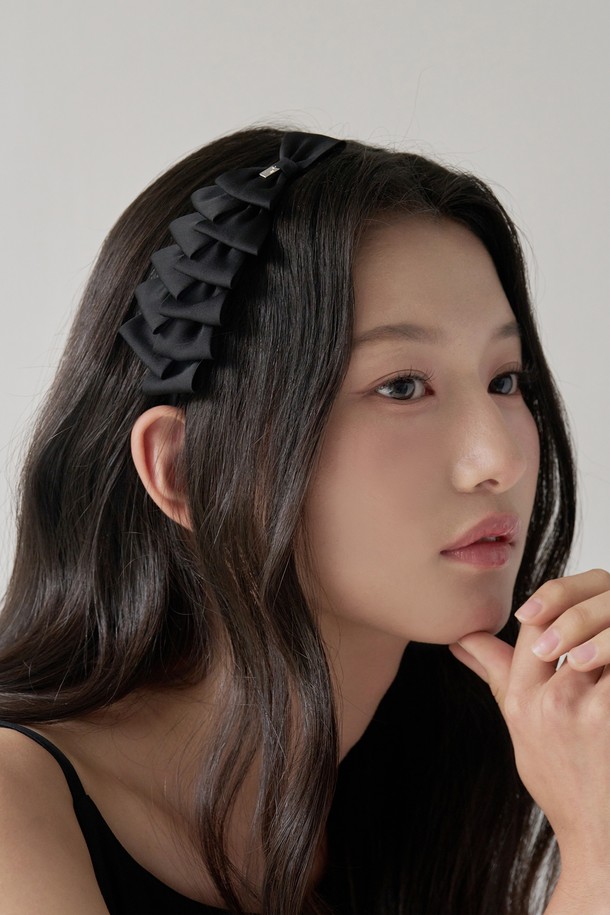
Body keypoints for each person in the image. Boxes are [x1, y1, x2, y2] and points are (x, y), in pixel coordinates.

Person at [0, 124, 608, 915]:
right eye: (401, 386)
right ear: (183, 469)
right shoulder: (16, 808)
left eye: (505, 379)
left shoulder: (423, 804)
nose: (500, 459)